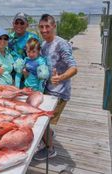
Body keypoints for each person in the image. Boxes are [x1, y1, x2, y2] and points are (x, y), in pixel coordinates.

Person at [33, 14, 77, 161]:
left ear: (54, 26)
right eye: (41, 27)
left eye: (47, 27)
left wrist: (60, 77)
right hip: (47, 91)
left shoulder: (61, 44)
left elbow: (74, 68)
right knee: (42, 119)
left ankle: (50, 149)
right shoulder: (44, 44)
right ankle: (49, 135)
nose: (44, 30)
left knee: (43, 121)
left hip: (59, 92)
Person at [8, 12, 40, 88]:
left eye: (22, 23)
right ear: (13, 24)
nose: (19, 25)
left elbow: (39, 57)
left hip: (29, 77)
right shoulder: (9, 38)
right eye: (17, 22)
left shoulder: (33, 38)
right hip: (12, 77)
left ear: (27, 25)